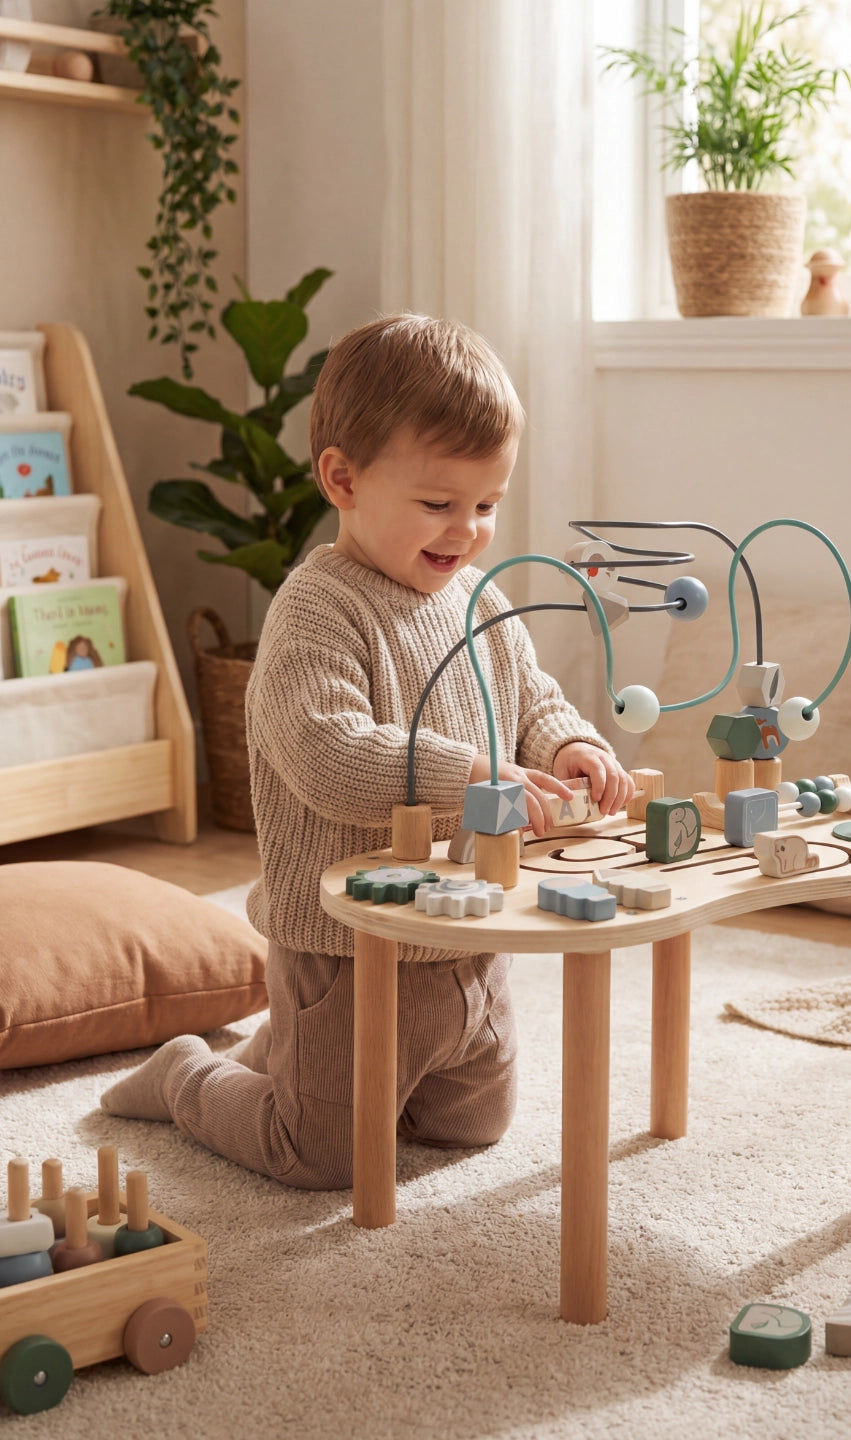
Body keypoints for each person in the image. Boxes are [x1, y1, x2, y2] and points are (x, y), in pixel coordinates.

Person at [100, 314, 634, 1188]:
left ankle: (292, 1052)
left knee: (473, 1128)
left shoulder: (477, 598)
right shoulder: (315, 609)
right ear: (343, 479)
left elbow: (529, 697)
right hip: (353, 952)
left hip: (469, 939)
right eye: (438, 504)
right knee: (322, 1156)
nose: (465, 531)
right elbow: (330, 754)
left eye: (487, 505)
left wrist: (568, 743)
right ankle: (191, 1072)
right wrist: (467, 771)